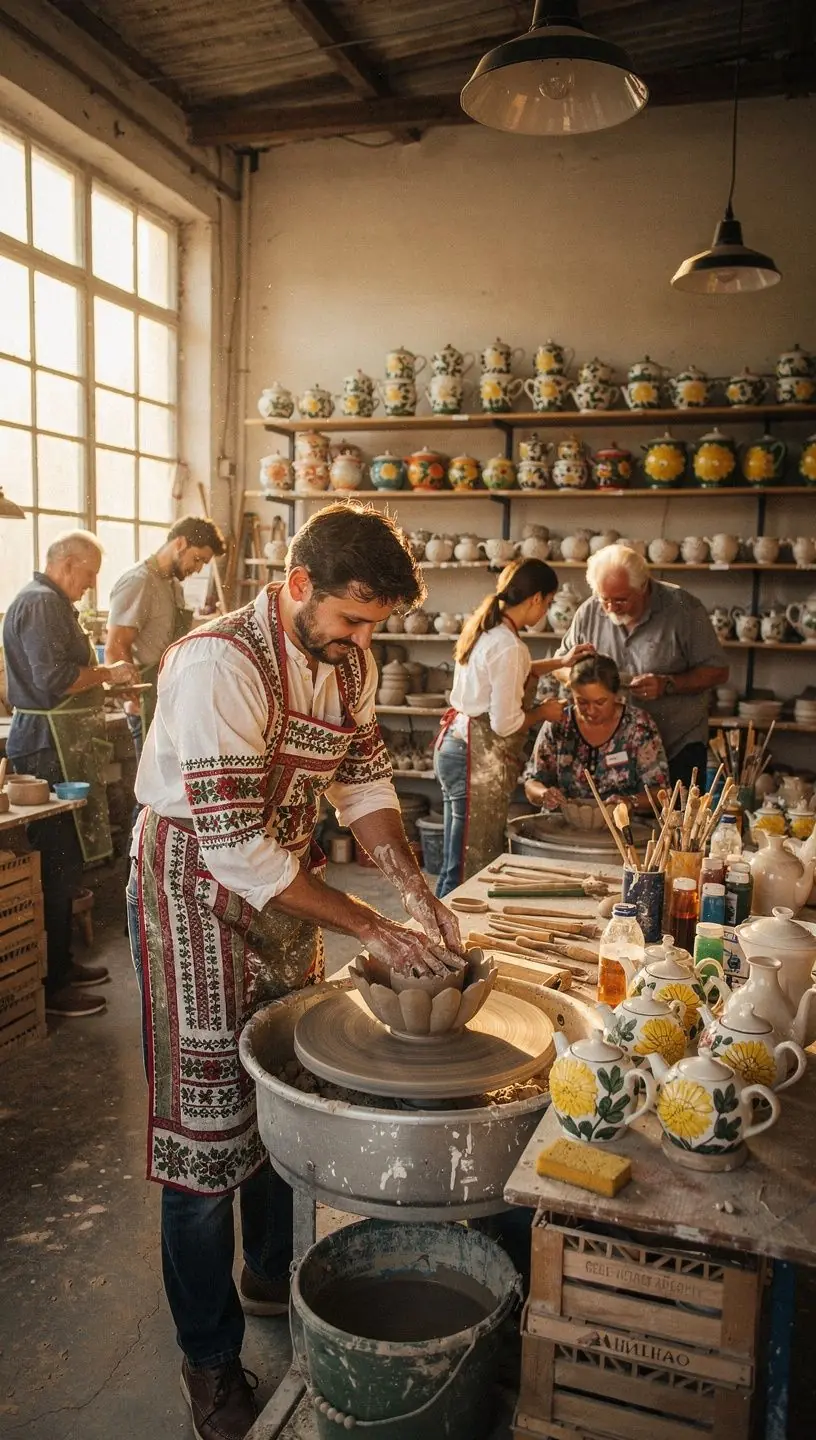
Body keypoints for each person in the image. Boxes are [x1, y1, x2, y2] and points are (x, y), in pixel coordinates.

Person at [127, 503, 464, 1440]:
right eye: (353, 619)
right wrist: (371, 925)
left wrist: (413, 888)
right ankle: (208, 1360)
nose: (363, 641)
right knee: (206, 1134)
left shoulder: (349, 659)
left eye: (375, 626)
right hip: (194, 885)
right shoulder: (218, 663)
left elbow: (362, 782)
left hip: (285, 881)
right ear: (299, 583)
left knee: (286, 1081)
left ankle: (271, 1270)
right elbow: (233, 845)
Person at [3, 532, 139, 1018]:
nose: (91, 584)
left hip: (57, 741)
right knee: (57, 861)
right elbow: (55, 679)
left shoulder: (51, 602)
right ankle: (54, 985)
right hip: (46, 746)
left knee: (66, 861)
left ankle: (61, 964)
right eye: (89, 573)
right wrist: (109, 673)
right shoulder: (40, 603)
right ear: (66, 562)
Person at [432, 558, 594, 899]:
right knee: (469, 862)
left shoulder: (488, 630)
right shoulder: (509, 645)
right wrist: (543, 712)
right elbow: (505, 723)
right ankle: (448, 926)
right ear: (535, 598)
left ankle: (441, 922)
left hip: (456, 747)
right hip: (474, 758)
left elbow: (513, 669)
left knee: (456, 860)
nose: (546, 610)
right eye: (548, 602)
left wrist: (561, 662)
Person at [554, 544, 729, 788]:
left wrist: (668, 684)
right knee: (615, 811)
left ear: (643, 586)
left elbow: (718, 671)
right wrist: (587, 684)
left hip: (675, 744)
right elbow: (560, 666)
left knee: (676, 812)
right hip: (612, 748)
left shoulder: (684, 609)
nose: (611, 608)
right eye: (605, 599)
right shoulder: (589, 612)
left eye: (621, 600)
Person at [105, 515, 226, 759]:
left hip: (168, 694)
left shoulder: (173, 586)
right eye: (197, 559)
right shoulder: (139, 581)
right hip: (145, 697)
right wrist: (132, 700)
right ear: (180, 543)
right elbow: (116, 647)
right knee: (151, 777)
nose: (198, 569)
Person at [524, 653, 670, 813]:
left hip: (619, 824)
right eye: (582, 702)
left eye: (600, 702)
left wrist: (630, 802)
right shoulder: (559, 723)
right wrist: (544, 794)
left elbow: (661, 793)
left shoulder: (638, 726)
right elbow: (532, 783)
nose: (591, 711)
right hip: (564, 822)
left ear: (615, 695)